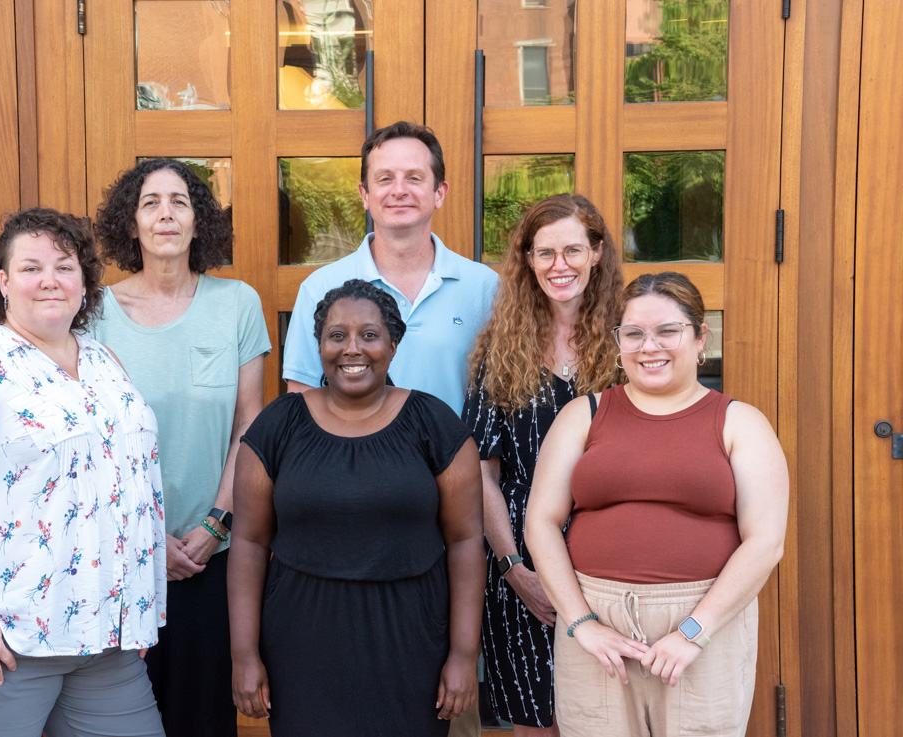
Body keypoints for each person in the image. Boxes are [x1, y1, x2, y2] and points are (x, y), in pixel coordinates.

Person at [0, 208, 167, 737]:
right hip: (0, 639)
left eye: (65, 267)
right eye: (31, 267)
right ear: (4, 282)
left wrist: (135, 608)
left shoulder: (103, 361)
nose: (50, 280)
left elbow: (128, 484)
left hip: (101, 641)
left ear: (85, 282)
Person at [525, 272, 788, 737]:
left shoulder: (740, 423)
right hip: (597, 626)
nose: (649, 346)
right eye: (633, 333)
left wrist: (693, 632)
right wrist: (582, 623)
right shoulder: (582, 415)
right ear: (618, 341)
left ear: (700, 336)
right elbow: (541, 522)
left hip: (706, 624)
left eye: (667, 330)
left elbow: (765, 542)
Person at [228, 279, 485, 736]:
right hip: (301, 643)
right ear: (319, 345)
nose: (352, 349)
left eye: (369, 335)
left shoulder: (434, 424)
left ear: (393, 343)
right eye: (337, 335)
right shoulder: (278, 425)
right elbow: (248, 541)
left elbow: (465, 541)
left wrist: (464, 655)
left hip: (410, 641)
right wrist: (244, 655)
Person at [92, 158, 270, 737]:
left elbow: (250, 424)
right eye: (150, 202)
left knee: (201, 720)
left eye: (180, 202)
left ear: (200, 223)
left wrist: (217, 523)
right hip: (118, 558)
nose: (165, 213)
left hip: (208, 556)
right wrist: (146, 538)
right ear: (131, 222)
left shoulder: (237, 303)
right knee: (117, 720)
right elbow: (89, 441)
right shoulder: (93, 313)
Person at [463, 194, 623, 735]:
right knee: (535, 721)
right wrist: (514, 568)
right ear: (527, 261)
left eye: (573, 250)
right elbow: (482, 471)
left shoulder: (631, 342)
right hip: (520, 562)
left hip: (610, 558)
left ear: (597, 253)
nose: (560, 265)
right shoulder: (501, 347)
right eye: (545, 252)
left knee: (606, 716)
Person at [282, 120, 498, 416]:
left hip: (455, 462)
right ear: (365, 195)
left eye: (414, 178)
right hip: (354, 461)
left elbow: (503, 400)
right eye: (385, 179)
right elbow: (302, 404)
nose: (399, 190)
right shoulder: (320, 288)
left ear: (439, 193)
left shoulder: (485, 288)